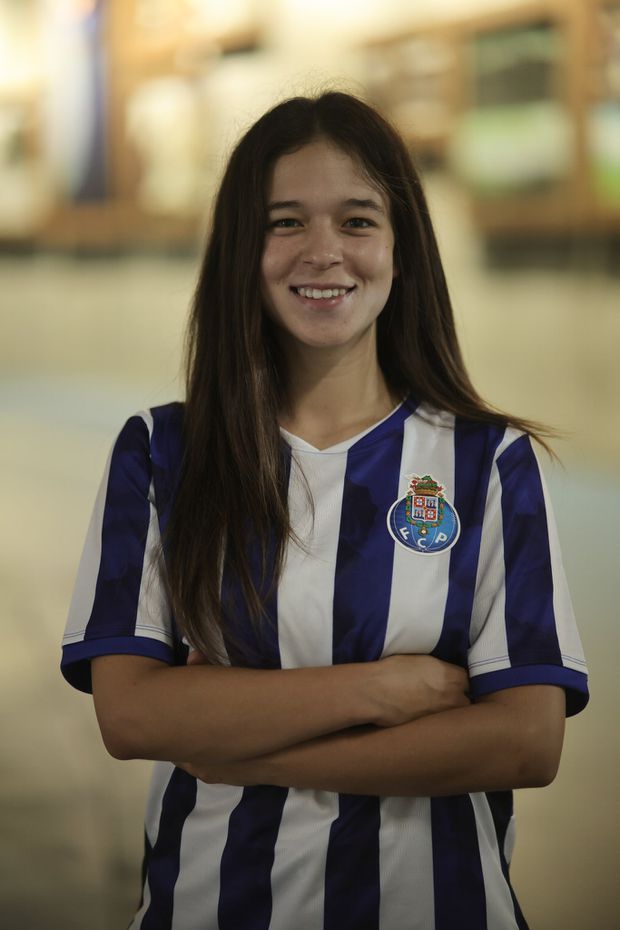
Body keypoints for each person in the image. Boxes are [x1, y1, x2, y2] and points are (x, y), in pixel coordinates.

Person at [61, 91, 589, 930]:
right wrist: (381, 689)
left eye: (357, 220)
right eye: (285, 223)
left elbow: (525, 742)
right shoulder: (161, 454)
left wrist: (239, 741)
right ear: (242, 250)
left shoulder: (489, 462)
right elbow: (130, 716)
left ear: (401, 249)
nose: (323, 251)